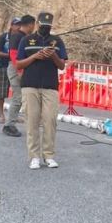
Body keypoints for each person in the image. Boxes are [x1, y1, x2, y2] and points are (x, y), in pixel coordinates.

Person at [15, 11, 68, 169]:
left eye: (48, 26)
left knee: (50, 120)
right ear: (37, 24)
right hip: (30, 85)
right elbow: (18, 64)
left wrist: (53, 56)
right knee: (31, 120)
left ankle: (49, 155)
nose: (45, 28)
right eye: (42, 25)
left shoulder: (57, 41)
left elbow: (62, 65)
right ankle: (34, 157)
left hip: (50, 86)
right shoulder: (26, 40)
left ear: (51, 26)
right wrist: (35, 56)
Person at [3, 15, 34, 137]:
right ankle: (9, 125)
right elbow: (14, 55)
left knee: (20, 97)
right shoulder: (17, 37)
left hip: (20, 68)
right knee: (18, 97)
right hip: (16, 69)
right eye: (34, 24)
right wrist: (20, 72)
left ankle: (12, 120)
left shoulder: (24, 37)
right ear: (30, 24)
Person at [0, 18, 21, 124]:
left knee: (18, 93)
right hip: (3, 66)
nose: (18, 27)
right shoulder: (4, 37)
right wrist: (9, 55)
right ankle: (1, 114)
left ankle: (14, 114)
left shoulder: (22, 38)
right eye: (16, 25)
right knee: (1, 92)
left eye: (20, 25)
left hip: (16, 66)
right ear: (11, 26)